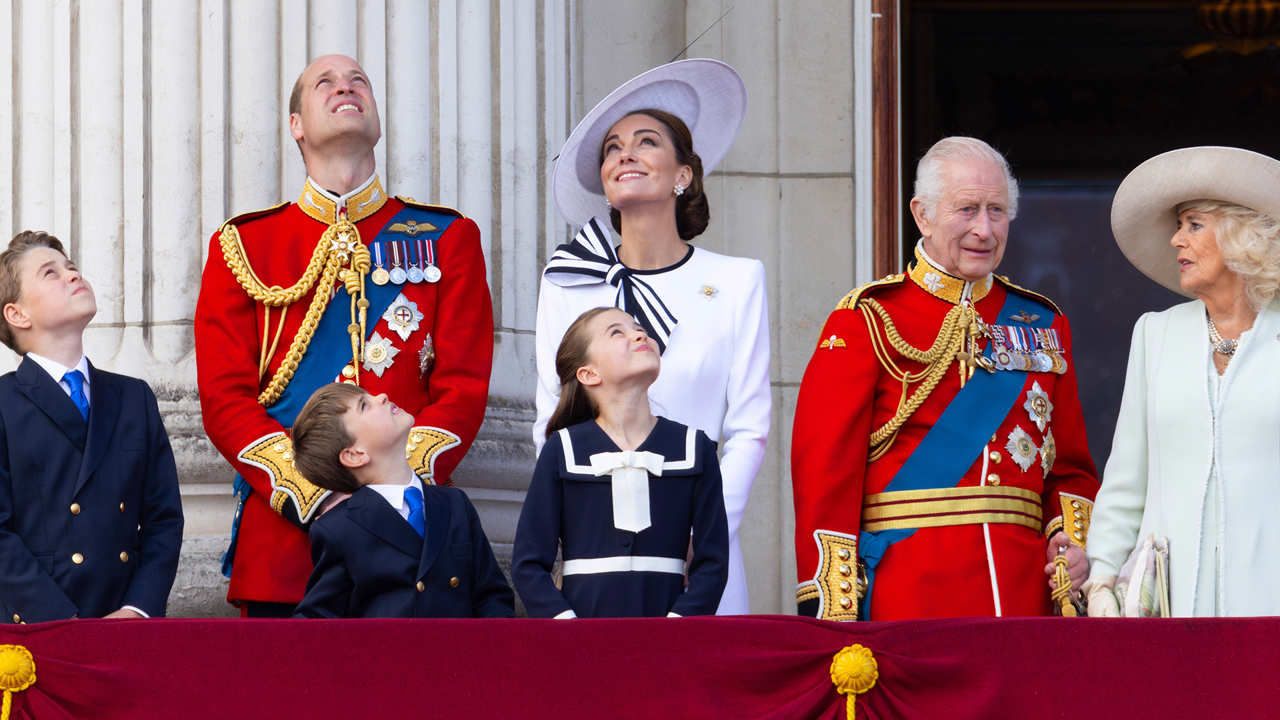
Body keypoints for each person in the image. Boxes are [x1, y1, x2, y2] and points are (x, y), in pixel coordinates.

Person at [195, 54, 494, 617]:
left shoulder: (448, 236)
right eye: (324, 83)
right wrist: (315, 496)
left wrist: (392, 488)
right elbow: (223, 397)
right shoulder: (244, 245)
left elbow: (463, 387)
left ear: (377, 120)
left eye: (360, 81)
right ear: (296, 125)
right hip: (287, 548)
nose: (346, 87)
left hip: (412, 546)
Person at [791, 137, 1100, 621]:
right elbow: (826, 471)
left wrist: (1069, 545)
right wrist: (833, 601)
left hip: (1022, 595)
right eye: (967, 209)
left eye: (997, 211)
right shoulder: (868, 318)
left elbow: (1071, 468)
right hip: (908, 589)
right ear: (923, 214)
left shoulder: (1041, 323)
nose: (984, 229)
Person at [534, 59, 767, 615]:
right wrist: (581, 526)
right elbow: (551, 420)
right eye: (612, 148)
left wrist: (706, 532)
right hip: (598, 553)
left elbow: (749, 427)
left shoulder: (737, 280)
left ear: (683, 174)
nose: (625, 154)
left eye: (646, 141)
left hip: (700, 556)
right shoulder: (567, 282)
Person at [1086, 146, 1280, 617]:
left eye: (1193, 225)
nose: (1176, 240)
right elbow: (1127, 475)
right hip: (1167, 606)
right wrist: (1101, 578)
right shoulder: (1156, 333)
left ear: (1242, 236)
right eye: (1179, 226)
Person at [0, 230, 183, 622]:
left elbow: (163, 518)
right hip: (36, 628)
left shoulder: (135, 398)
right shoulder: (3, 402)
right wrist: (60, 620)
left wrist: (137, 609)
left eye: (70, 267)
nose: (72, 275)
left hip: (126, 624)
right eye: (49, 273)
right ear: (17, 314)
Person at [514, 307, 728, 618]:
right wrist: (565, 624)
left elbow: (713, 562)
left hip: (670, 642)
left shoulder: (695, 448)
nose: (639, 334)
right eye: (617, 332)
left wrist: (681, 625)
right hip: (582, 641)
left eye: (638, 328)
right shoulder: (562, 450)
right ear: (589, 374)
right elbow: (528, 564)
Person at [289, 383, 512, 618]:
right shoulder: (338, 528)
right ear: (355, 454)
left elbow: (492, 596)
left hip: (460, 652)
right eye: (364, 405)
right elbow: (318, 621)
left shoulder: (454, 503)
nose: (383, 396)